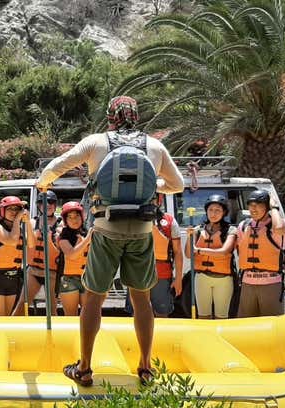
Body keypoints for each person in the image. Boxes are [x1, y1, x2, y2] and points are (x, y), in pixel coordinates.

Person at [35, 95, 184, 386]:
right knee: (142, 299)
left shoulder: (96, 142)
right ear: (137, 116)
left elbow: (57, 165)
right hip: (142, 231)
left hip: (105, 229)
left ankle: (85, 368)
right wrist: (155, 185)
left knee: (93, 297)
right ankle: (144, 367)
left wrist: (43, 182)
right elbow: (177, 184)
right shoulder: (154, 146)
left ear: (110, 117)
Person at [126, 197, 183, 318]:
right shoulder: (133, 219)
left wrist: (178, 278)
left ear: (159, 200)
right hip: (137, 274)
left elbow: (178, 252)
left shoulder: (169, 221)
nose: (150, 202)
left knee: (162, 313)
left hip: (162, 274)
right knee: (137, 313)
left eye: (154, 199)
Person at [236, 190, 285, 318]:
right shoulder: (243, 226)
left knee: (271, 325)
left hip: (271, 283)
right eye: (251, 205)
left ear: (267, 207)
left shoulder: (279, 224)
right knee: (246, 324)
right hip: (247, 283)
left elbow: (279, 229)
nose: (253, 209)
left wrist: (275, 208)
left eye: (258, 205)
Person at [185, 195, 237, 319]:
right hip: (202, 278)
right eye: (211, 210)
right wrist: (189, 236)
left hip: (223, 279)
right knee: (203, 316)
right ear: (206, 211)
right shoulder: (198, 230)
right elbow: (188, 254)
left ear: (224, 212)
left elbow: (224, 251)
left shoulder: (230, 230)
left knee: (221, 316)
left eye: (217, 210)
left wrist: (199, 250)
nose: (213, 213)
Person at [12, 190, 61, 316]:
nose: (48, 205)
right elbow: (29, 243)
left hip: (52, 273)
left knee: (52, 309)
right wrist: (26, 220)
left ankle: (53, 335)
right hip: (33, 271)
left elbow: (60, 249)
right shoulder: (32, 223)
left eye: (51, 202)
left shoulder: (61, 225)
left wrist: (49, 236)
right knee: (22, 304)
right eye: (44, 202)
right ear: (39, 206)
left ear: (55, 205)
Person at [57, 201, 93, 317]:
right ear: (65, 220)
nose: (74, 219)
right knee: (71, 315)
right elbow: (72, 255)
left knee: (87, 314)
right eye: (70, 217)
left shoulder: (86, 232)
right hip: (69, 280)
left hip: (86, 278)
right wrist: (87, 240)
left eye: (77, 216)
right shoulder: (63, 236)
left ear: (82, 216)